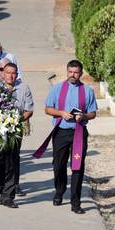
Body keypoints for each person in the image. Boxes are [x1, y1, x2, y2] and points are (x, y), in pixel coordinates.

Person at [34, 60, 97, 214]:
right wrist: (61, 113)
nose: (72, 75)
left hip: (79, 133)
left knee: (77, 167)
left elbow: (93, 113)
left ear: (81, 74)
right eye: (70, 72)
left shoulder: (87, 91)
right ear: (67, 72)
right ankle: (59, 191)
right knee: (58, 165)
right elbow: (48, 109)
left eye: (76, 72)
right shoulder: (57, 89)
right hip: (61, 132)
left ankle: (76, 202)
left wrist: (83, 116)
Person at [0, 63, 34, 208]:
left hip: (15, 130)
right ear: (3, 73)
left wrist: (17, 120)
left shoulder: (23, 88)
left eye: (14, 73)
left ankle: (8, 196)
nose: (11, 76)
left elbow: (29, 109)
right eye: (8, 72)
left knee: (12, 161)